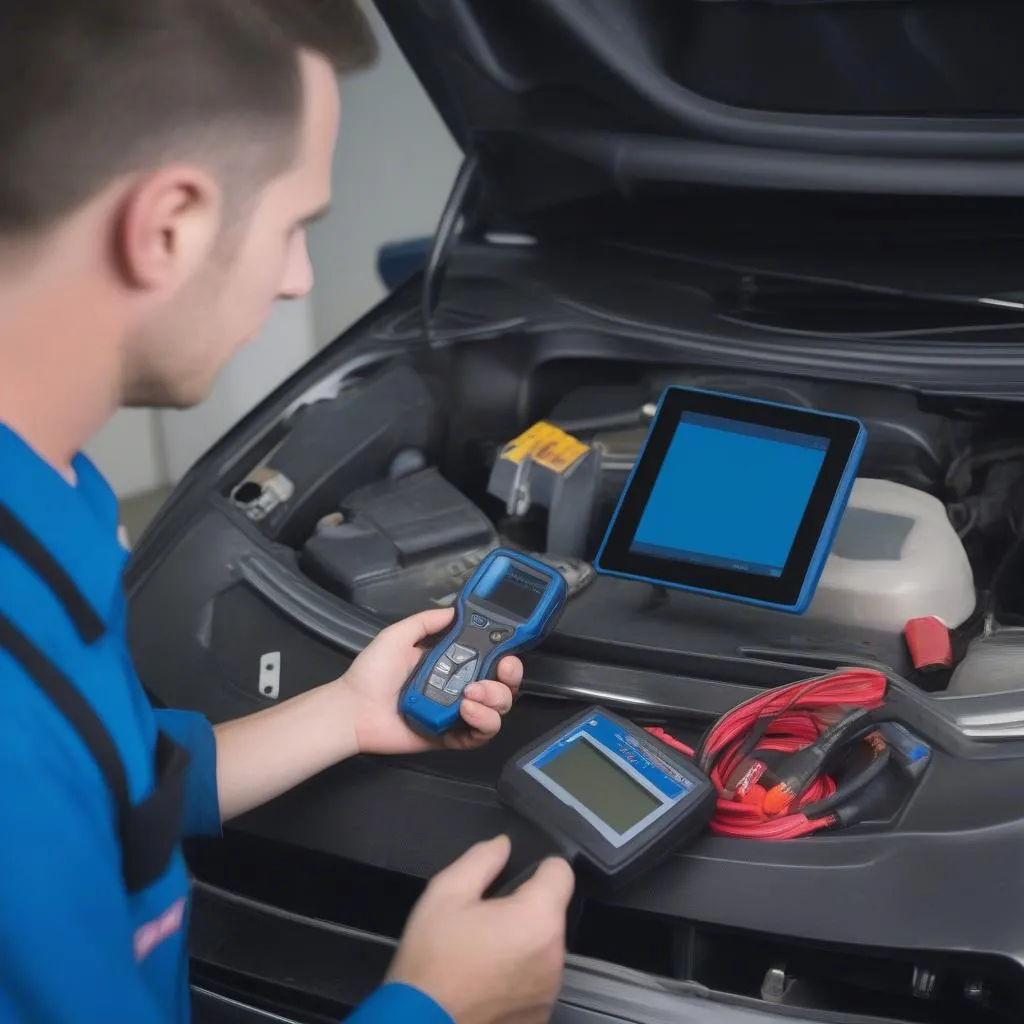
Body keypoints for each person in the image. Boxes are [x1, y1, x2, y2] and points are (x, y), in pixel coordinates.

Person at [0, 3, 575, 1024]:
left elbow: (121, 779)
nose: (300, 277)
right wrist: (438, 1007)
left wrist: (344, 713)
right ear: (167, 225)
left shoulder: (49, 493)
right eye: (295, 223)